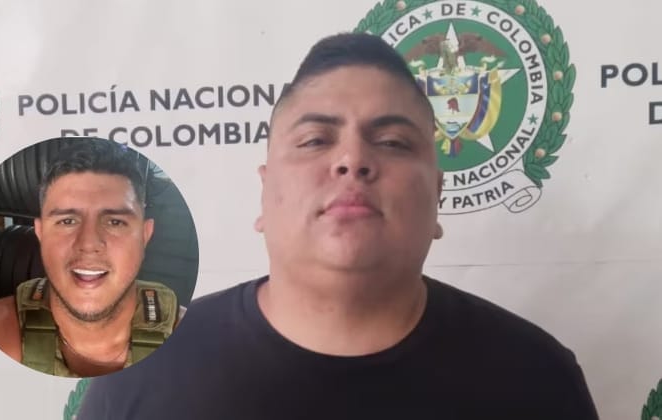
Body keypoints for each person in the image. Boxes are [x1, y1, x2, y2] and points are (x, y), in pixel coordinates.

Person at [77, 33, 598, 418]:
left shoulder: (535, 377)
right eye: (315, 140)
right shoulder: (144, 371)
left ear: (437, 196)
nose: (352, 159)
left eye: (392, 142)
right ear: (265, 193)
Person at [0, 138, 180, 378]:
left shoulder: (200, 345)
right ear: (40, 233)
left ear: (144, 235)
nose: (88, 244)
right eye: (67, 221)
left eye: (115, 222)